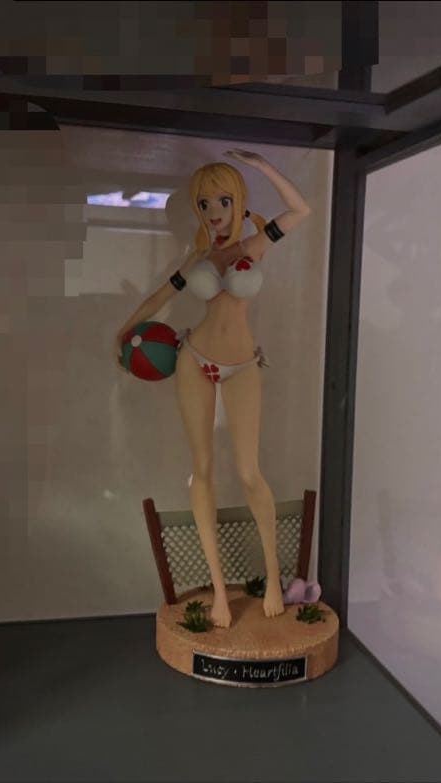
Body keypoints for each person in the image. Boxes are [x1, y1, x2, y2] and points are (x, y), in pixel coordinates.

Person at [114, 149, 311, 627]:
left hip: (243, 364)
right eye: (204, 204)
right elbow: (158, 297)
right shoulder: (196, 258)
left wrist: (262, 167)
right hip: (194, 359)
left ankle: (273, 575)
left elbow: (301, 210)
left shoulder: (256, 244)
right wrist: (125, 334)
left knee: (249, 471)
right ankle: (220, 592)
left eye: (223, 201)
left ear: (238, 202)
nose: (215, 212)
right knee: (201, 470)